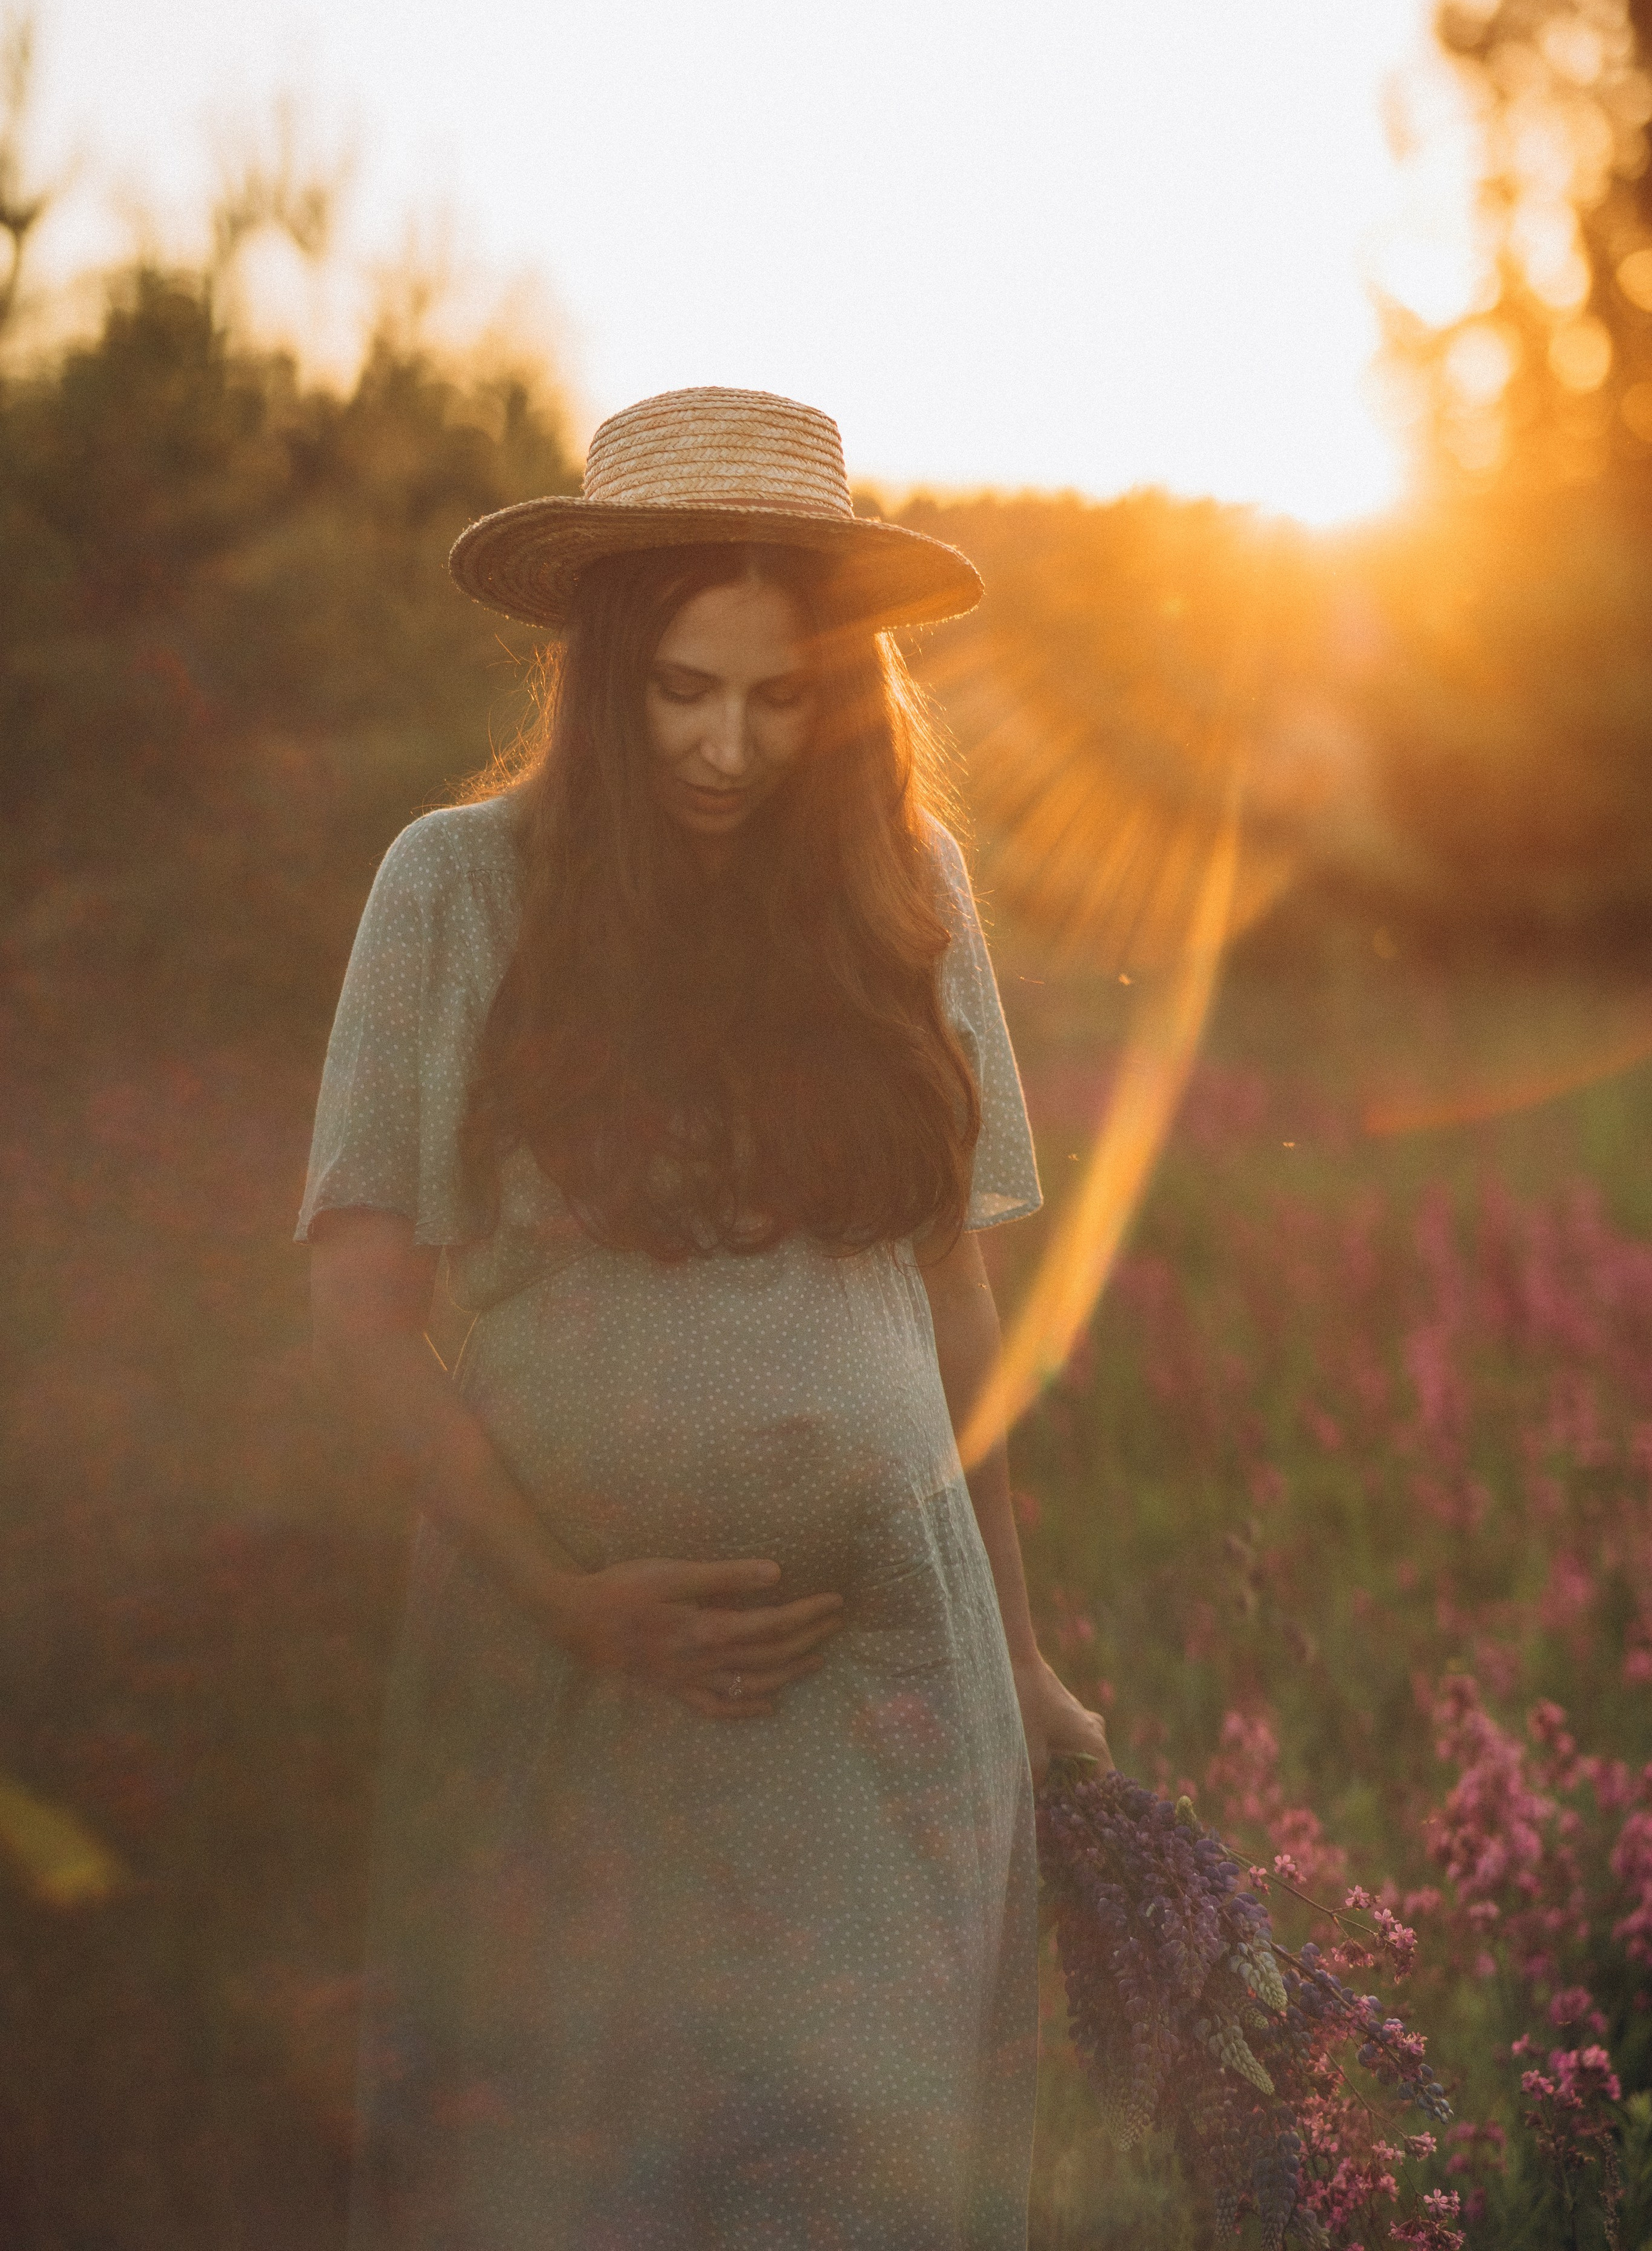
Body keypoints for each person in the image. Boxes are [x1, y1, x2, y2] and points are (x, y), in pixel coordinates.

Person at [299, 385, 1111, 2251]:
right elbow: (357, 1301)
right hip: (568, 1689)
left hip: (888, 1687)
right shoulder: (456, 889)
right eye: (683, 689)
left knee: (870, 2178)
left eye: (779, 697)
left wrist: (1022, 1653)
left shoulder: (904, 886)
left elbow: (949, 1283)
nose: (729, 745)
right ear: (603, 674)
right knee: (560, 2175)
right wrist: (564, 1596)